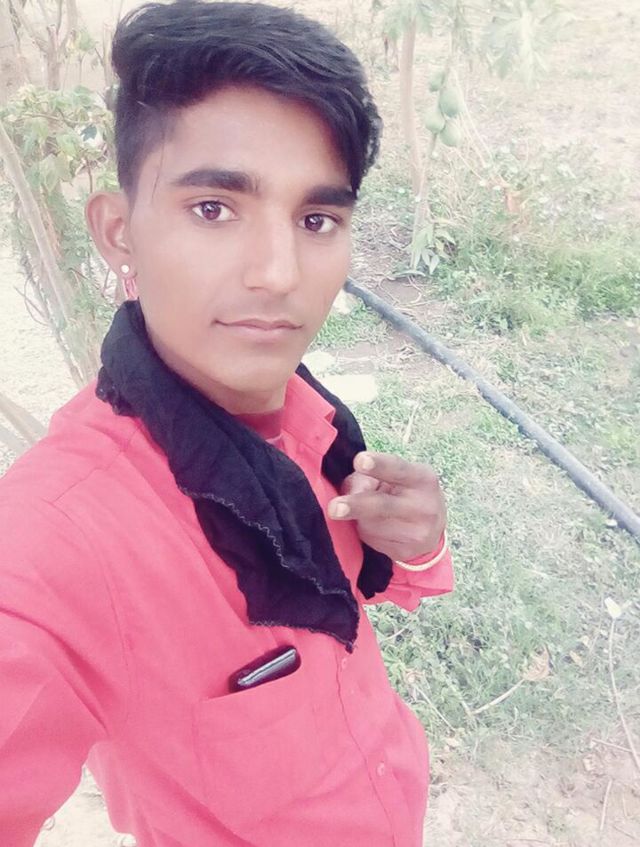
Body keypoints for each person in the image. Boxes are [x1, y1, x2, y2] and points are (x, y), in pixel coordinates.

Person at [0, 2, 453, 845]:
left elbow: (353, 595)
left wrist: (419, 546)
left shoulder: (316, 426)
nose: (279, 273)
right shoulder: (57, 542)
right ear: (118, 231)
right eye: (214, 207)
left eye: (316, 221)